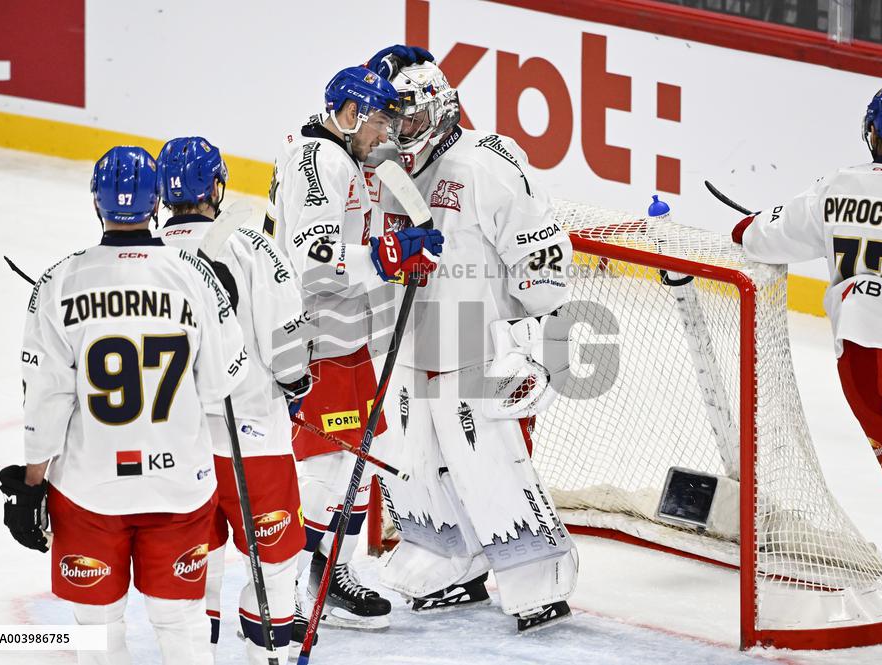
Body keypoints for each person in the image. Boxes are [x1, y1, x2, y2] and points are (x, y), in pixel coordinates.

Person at [0, 146, 248, 665]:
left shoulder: (58, 282)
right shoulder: (194, 277)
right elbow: (220, 385)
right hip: (179, 489)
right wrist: (224, 310)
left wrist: (30, 483)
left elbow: (45, 402)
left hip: (90, 491)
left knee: (96, 630)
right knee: (180, 623)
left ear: (97, 205)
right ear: (157, 202)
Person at [363, 48, 579, 633]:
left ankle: (536, 576)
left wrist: (531, 339)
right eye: (390, 118)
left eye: (405, 118)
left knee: (488, 463)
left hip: (478, 344)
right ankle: (445, 561)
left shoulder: (486, 162)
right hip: (409, 342)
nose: (396, 129)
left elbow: (543, 264)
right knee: (408, 460)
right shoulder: (383, 165)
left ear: (436, 110)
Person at [731, 85, 882, 663]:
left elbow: (757, 234)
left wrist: (744, 224)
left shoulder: (834, 186)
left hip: (856, 364)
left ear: (871, 130)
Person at [263, 65, 443, 634]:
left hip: (344, 335)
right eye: (379, 123)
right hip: (317, 337)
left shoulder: (336, 146)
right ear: (348, 116)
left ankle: (329, 574)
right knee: (327, 465)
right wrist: (388, 257)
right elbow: (316, 266)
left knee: (357, 458)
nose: (386, 136)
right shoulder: (324, 160)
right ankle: (296, 582)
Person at [155, 136, 311, 663]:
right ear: (216, 186)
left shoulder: (145, 259)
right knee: (275, 569)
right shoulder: (252, 245)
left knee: (197, 567)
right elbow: (289, 343)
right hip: (255, 439)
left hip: (177, 445)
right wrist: (296, 384)